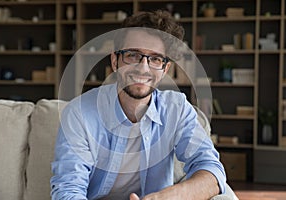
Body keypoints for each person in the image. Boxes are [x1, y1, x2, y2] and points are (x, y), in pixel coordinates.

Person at [51, 10, 226, 200]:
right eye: (133, 55)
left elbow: (211, 170)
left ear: (165, 68)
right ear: (115, 61)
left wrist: (169, 197)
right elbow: (68, 191)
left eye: (156, 59)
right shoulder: (79, 113)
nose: (143, 68)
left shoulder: (177, 109)